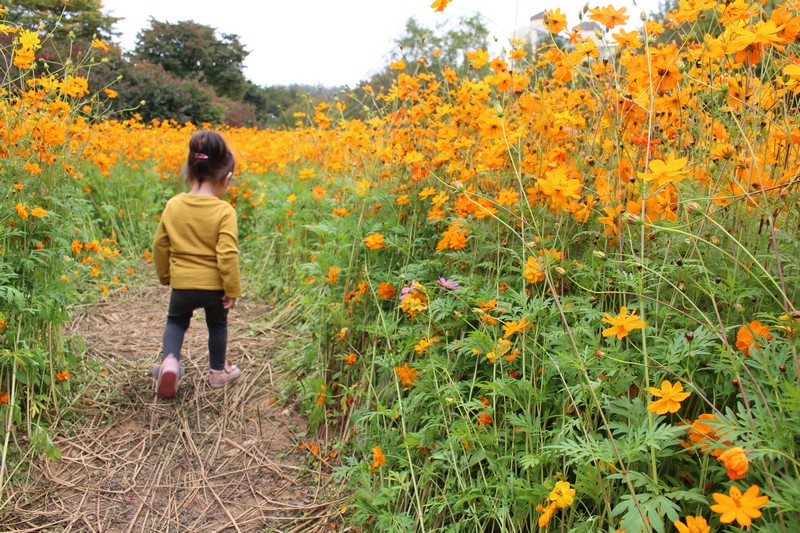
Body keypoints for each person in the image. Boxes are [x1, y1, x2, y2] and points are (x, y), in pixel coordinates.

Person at [151, 130, 243, 399]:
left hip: (182, 286)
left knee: (176, 321)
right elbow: (227, 254)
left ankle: (169, 361)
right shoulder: (224, 211)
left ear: (188, 171)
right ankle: (217, 372)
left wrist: (166, 275)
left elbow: (160, 246)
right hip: (214, 288)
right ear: (225, 177)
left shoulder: (173, 205)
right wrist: (232, 289)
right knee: (217, 325)